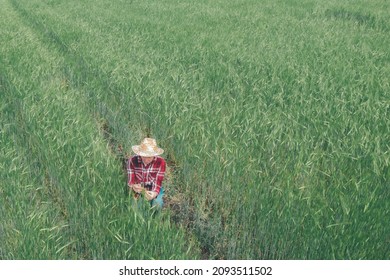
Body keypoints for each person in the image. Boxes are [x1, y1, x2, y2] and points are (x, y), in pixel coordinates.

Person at [127, 138, 166, 209]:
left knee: (157, 205)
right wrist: (134, 186)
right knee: (134, 207)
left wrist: (154, 194)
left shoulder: (161, 162)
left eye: (149, 157)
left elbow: (158, 181)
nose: (146, 160)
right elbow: (131, 181)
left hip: (153, 186)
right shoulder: (132, 161)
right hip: (139, 187)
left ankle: (155, 218)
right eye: (144, 156)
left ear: (154, 155)